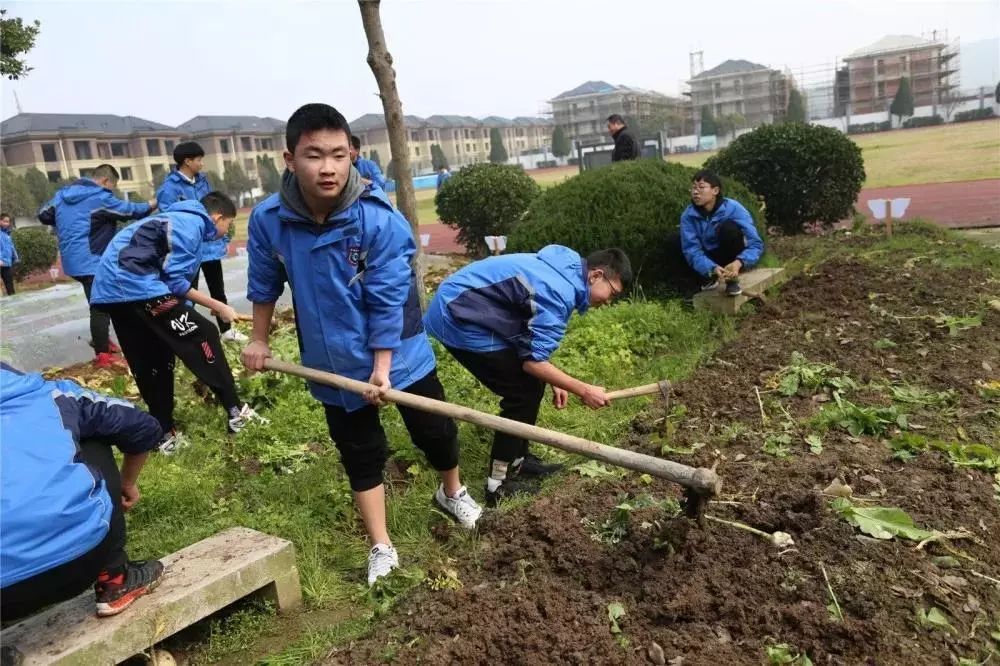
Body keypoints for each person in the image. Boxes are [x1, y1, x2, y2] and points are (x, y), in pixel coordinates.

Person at [242, 103, 481, 585]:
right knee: (360, 450)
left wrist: (383, 367)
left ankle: (451, 491)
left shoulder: (378, 221)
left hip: (402, 352)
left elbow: (389, 298)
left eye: (337, 154)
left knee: (434, 431)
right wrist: (258, 339)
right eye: (313, 155)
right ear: (289, 159)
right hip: (332, 360)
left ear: (352, 154)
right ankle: (381, 545)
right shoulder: (270, 220)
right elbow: (264, 281)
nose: (327, 167)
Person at [423, 245, 631, 505]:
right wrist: (584, 389)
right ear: (595, 275)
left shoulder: (564, 272)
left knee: (533, 385)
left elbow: (532, 336)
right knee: (522, 393)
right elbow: (532, 362)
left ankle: (518, 462)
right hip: (456, 315)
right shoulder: (559, 291)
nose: (608, 301)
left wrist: (551, 375)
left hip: (472, 305)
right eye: (612, 293)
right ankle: (497, 484)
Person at [89, 192, 262, 453]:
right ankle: (236, 412)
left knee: (153, 360)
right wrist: (219, 306)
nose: (226, 231)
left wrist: (187, 310)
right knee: (204, 334)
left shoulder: (171, 219)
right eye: (228, 224)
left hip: (112, 294)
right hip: (137, 287)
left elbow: (171, 284)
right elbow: (176, 283)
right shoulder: (191, 225)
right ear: (216, 217)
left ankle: (163, 432)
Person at [0, 365, 165, 622]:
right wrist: (127, 481)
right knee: (92, 433)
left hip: (4, 598)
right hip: (85, 557)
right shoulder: (50, 395)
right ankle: (114, 577)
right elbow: (142, 426)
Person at [38, 164, 157, 368]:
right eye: (112, 187)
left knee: (99, 299)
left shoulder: (63, 195)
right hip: (92, 261)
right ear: (105, 181)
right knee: (101, 306)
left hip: (72, 261)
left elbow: (43, 214)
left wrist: (69, 221)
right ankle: (102, 354)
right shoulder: (100, 197)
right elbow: (132, 211)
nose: (111, 192)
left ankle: (102, 340)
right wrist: (156, 202)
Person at [157, 142, 246, 343]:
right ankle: (184, 335)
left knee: (218, 290)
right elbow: (168, 219)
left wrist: (222, 239)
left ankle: (227, 331)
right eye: (199, 160)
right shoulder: (169, 188)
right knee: (187, 293)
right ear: (187, 161)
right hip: (190, 249)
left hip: (211, 247)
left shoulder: (203, 182)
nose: (202, 164)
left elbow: (216, 210)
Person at [667, 169, 764, 297]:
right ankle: (702, 281)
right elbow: (692, 249)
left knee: (729, 229)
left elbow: (755, 244)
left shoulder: (734, 208)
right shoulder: (688, 215)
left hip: (732, 256)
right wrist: (711, 268)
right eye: (693, 188)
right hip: (708, 257)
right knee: (675, 240)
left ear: (715, 191)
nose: (695, 192)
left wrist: (739, 262)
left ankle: (732, 280)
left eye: (701, 187)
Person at [0, 212, 17, 296]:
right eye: (5, 221)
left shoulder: (7, 234)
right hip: (1, 262)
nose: (7, 223)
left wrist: (15, 258)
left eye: (8, 221)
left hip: (7, 263)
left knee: (10, 286)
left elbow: (11, 247)